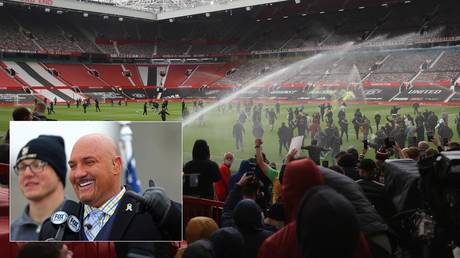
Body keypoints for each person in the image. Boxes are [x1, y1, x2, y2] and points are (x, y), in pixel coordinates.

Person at [66, 133, 177, 243]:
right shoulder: (61, 224)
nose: (78, 174)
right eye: (73, 166)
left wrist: (169, 213)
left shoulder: (152, 214)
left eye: (89, 162)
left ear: (116, 165)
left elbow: (190, 236)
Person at [11, 135, 67, 240]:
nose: (27, 173)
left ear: (58, 172)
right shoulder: (11, 232)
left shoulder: (83, 226)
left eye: (37, 165)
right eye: (22, 167)